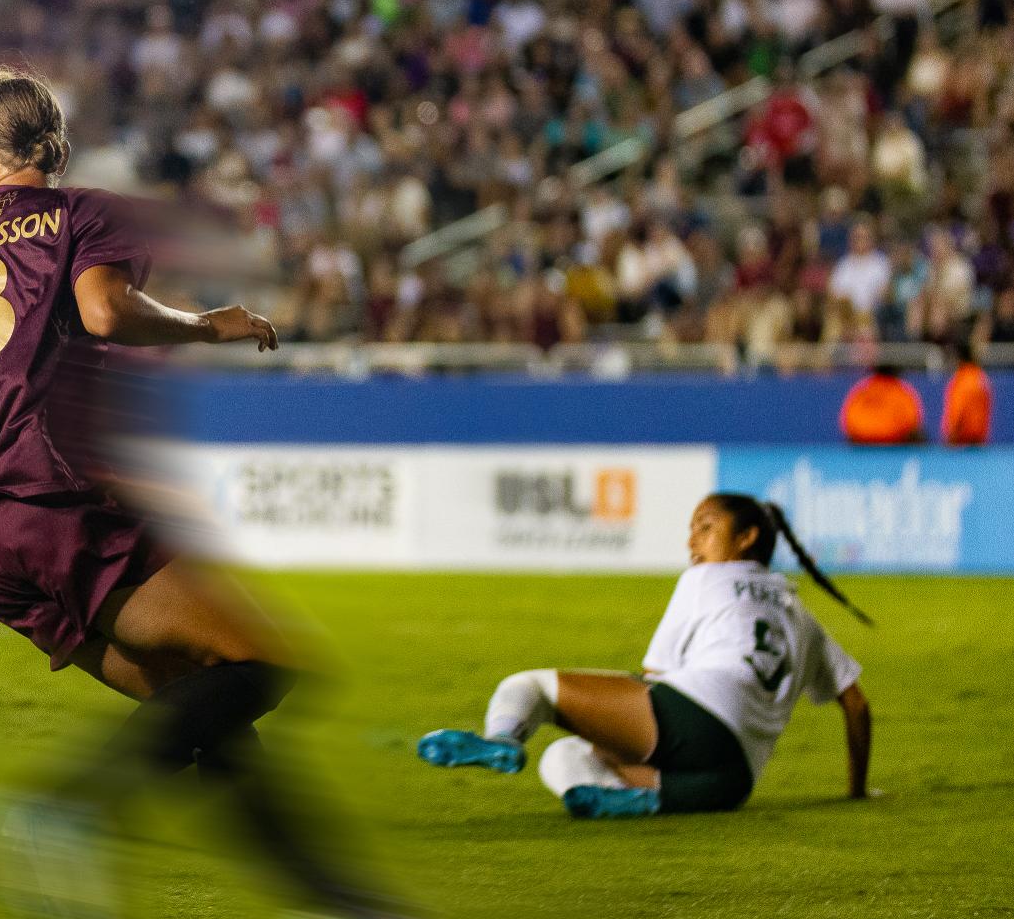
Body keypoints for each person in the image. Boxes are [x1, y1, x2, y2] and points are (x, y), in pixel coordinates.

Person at [0, 65, 464, 919]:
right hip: (47, 498)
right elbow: (100, 311)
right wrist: (209, 325)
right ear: (56, 145)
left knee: (203, 718)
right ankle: (69, 809)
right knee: (264, 660)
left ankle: (341, 906)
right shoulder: (88, 211)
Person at [417, 493, 872, 818]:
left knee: (530, 687)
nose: (692, 541)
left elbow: (655, 674)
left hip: (692, 720)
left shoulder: (704, 580)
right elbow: (855, 705)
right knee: (565, 754)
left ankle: (504, 738)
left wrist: (609, 722)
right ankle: (631, 799)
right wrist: (856, 792)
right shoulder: (802, 614)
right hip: (731, 782)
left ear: (747, 537)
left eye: (706, 527)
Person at [840, 363, 924, 444]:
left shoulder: (862, 388)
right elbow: (912, 422)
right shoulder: (902, 390)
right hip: (874, 444)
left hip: (873, 443)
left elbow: (848, 421)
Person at [941, 340, 992, 446]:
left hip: (961, 444)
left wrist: (951, 438)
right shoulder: (980, 376)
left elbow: (958, 411)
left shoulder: (962, 379)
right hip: (979, 443)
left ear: (958, 357)